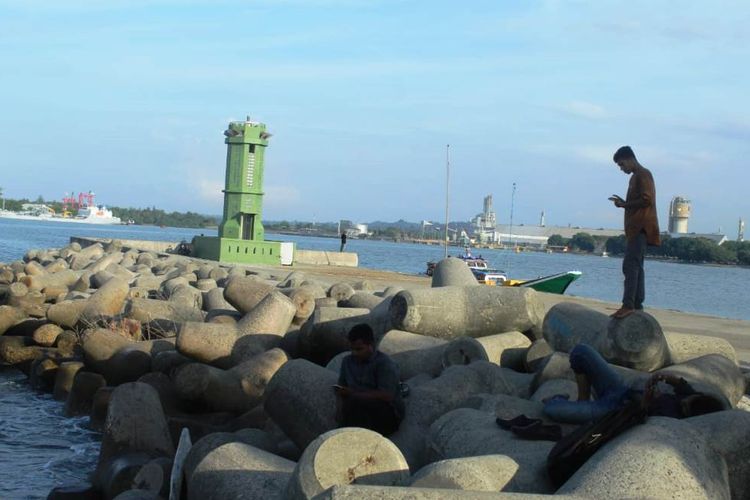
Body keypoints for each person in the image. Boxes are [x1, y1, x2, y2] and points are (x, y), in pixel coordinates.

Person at [542, 343, 727, 424]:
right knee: (581, 351)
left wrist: (646, 403)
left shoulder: (675, 421)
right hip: (620, 390)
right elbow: (679, 383)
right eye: (687, 399)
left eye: (685, 405)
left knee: (551, 410)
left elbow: (639, 421)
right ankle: (583, 400)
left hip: (613, 411)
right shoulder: (691, 397)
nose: (682, 401)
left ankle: (560, 399)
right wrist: (661, 377)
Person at [609, 146, 660, 319]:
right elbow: (640, 201)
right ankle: (636, 304)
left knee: (630, 266)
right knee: (636, 266)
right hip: (635, 229)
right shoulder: (636, 177)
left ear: (630, 159)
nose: (622, 169)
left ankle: (629, 305)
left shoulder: (643, 174)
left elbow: (647, 199)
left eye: (622, 164)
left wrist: (624, 205)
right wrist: (624, 202)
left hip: (641, 228)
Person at [335, 324, 404, 436]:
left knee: (356, 404)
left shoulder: (384, 364)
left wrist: (354, 394)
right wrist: (339, 406)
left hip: (385, 413)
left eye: (359, 349)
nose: (354, 353)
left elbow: (387, 396)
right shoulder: (347, 362)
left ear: (371, 345)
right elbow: (341, 387)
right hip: (357, 407)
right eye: (352, 349)